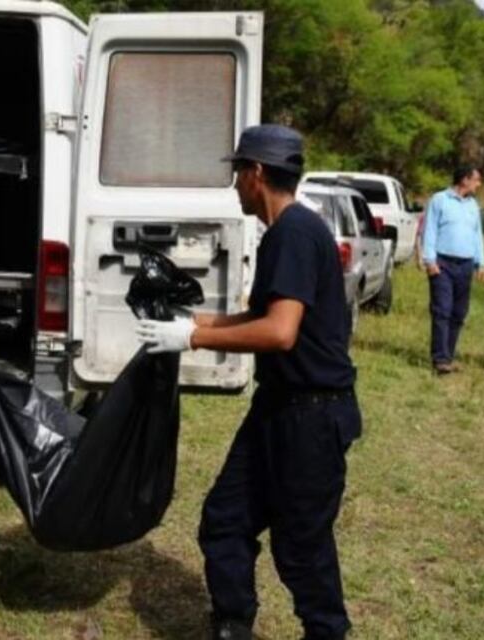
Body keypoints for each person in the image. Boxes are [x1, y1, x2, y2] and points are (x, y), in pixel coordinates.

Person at [137, 125, 361, 640]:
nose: (234, 182)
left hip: (311, 415)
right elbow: (262, 315)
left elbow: (280, 332)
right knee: (225, 519)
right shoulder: (286, 232)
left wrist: (192, 343)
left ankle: (327, 632)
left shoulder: (294, 234)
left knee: (301, 544)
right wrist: (192, 326)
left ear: (257, 174)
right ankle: (232, 624)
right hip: (279, 407)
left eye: (238, 171)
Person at [420, 165, 484, 374]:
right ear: (465, 180)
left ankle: (447, 356)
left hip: (465, 265)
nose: (479, 184)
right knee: (442, 310)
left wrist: (481, 262)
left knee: (459, 312)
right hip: (443, 263)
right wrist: (429, 261)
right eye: (476, 179)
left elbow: (477, 235)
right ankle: (439, 359)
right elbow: (428, 230)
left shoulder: (473, 205)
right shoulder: (439, 200)